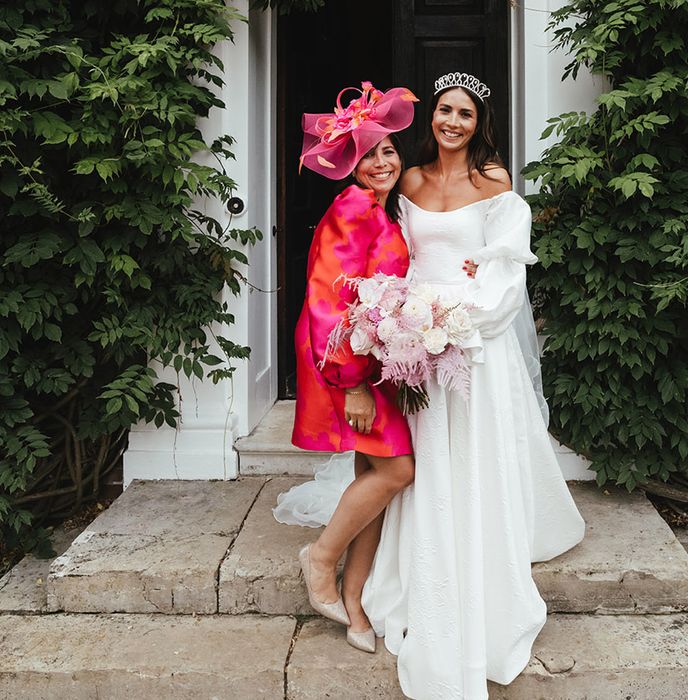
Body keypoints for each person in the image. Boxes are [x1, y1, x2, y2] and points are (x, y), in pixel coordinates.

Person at [359, 72, 586, 699]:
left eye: (464, 114)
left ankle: (481, 547)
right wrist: (397, 319)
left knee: (478, 450)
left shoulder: (495, 184)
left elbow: (507, 271)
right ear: (430, 118)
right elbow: (391, 253)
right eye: (443, 111)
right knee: (425, 453)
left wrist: (466, 315)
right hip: (414, 340)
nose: (452, 122)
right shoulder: (408, 180)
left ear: (478, 122)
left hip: (473, 342)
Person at [289, 82, 419, 654]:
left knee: (375, 475)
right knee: (398, 473)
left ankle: (356, 603)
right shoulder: (353, 206)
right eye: (368, 154)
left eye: (388, 150)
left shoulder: (381, 210)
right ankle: (319, 559)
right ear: (350, 163)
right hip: (351, 364)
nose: (382, 162)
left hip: (379, 360)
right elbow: (329, 300)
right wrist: (356, 385)